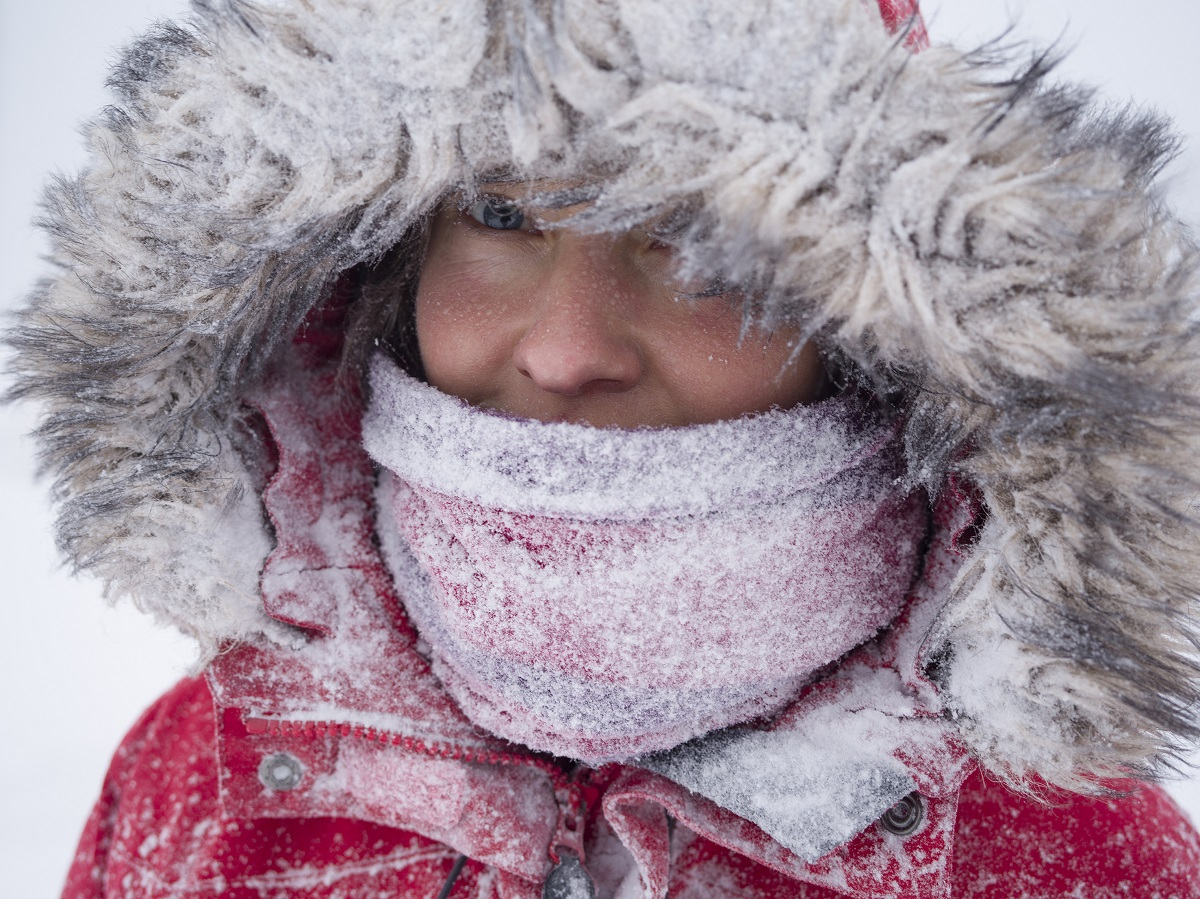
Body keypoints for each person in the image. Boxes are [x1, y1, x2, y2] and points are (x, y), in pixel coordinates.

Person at [9, 0, 1200, 896]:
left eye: (684, 233)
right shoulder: (203, 786)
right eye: (506, 215)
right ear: (381, 256)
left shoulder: (1071, 851)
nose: (569, 347)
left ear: (870, 315)